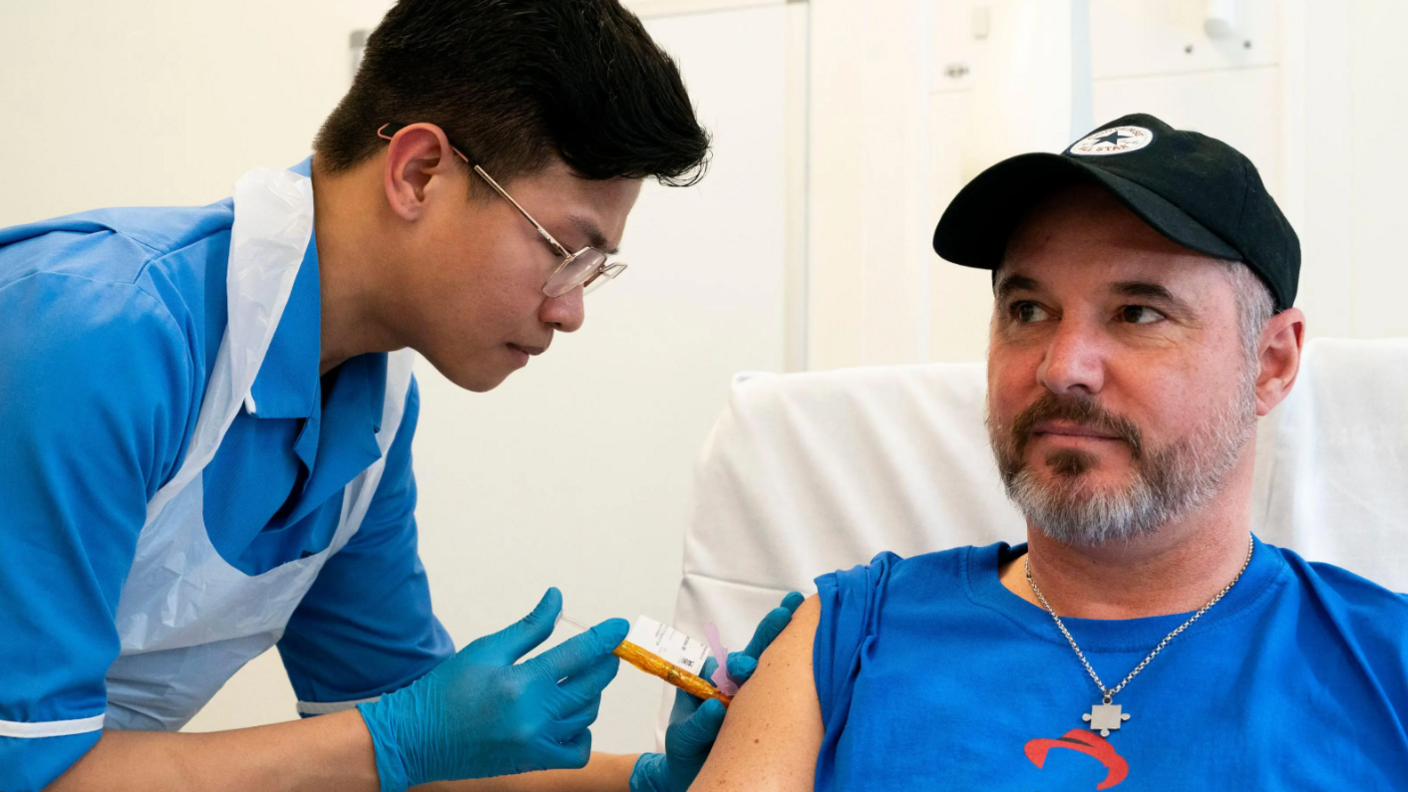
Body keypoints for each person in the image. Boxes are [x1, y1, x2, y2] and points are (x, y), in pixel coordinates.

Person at [0, 2, 798, 791]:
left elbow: (414, 752)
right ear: (418, 172)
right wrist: (401, 737)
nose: (570, 309)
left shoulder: (366, 410)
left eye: (595, 269)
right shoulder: (97, 330)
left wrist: (652, 781)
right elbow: (29, 772)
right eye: (565, 251)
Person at [686, 114, 1408, 790]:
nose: (1062, 367)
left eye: (1138, 314)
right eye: (1027, 311)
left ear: (1271, 363)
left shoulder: (1385, 667)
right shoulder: (848, 640)